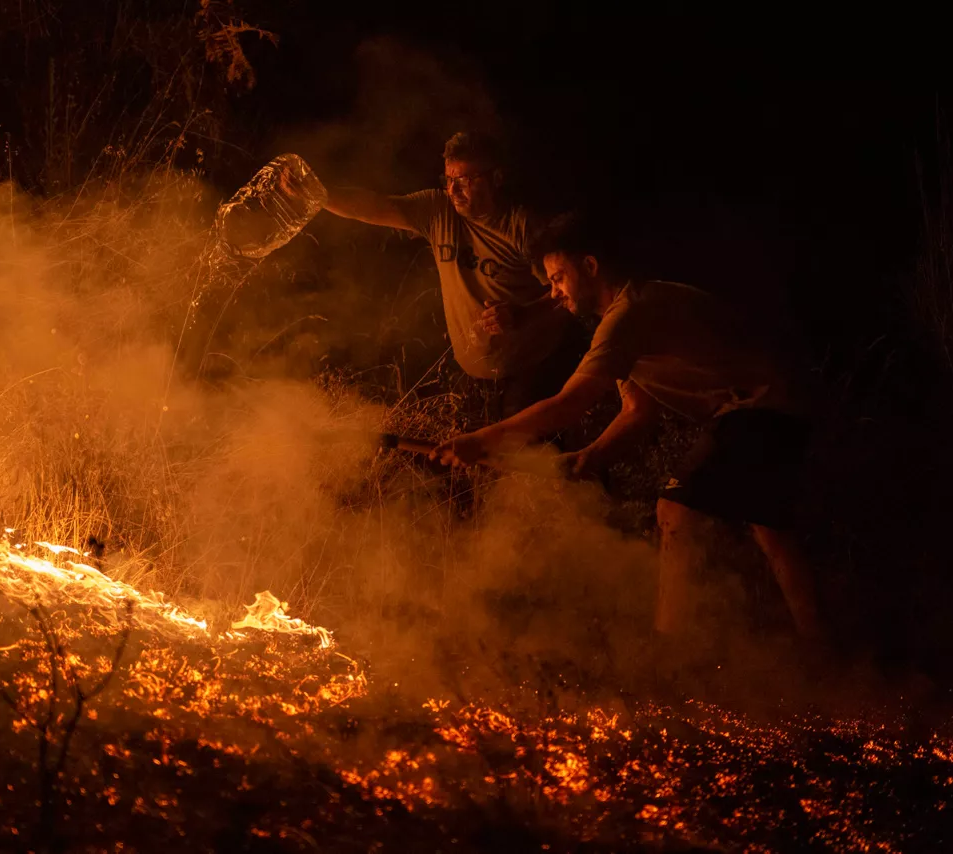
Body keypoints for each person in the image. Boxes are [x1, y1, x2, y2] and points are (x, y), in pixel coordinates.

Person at [430, 212, 824, 640]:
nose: (555, 292)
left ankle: (672, 648)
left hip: (761, 404)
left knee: (675, 509)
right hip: (775, 405)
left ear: (591, 266)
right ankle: (822, 652)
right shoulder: (622, 318)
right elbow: (638, 411)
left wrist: (482, 439)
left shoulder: (628, 315)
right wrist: (592, 456)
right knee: (772, 532)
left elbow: (570, 402)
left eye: (559, 277)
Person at [319, 132, 584, 422]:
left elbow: (572, 293)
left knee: (529, 457)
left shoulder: (522, 227)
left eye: (465, 181)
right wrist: (315, 192)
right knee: (476, 460)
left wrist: (523, 314)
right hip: (472, 373)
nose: (453, 190)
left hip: (529, 370)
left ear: (496, 178)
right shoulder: (437, 211)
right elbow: (370, 206)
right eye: (448, 180)